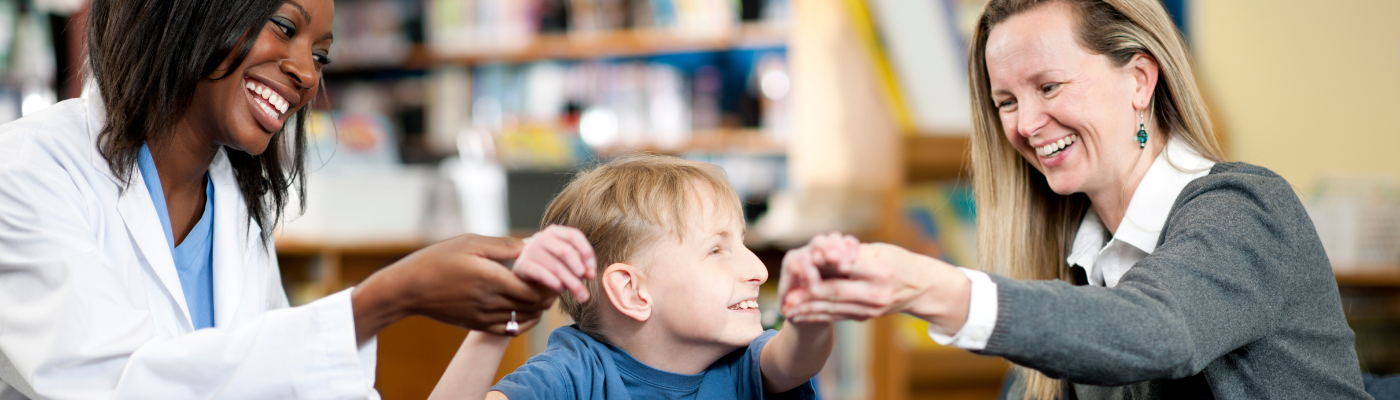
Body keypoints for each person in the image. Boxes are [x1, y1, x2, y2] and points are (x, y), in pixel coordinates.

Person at [779, 0, 1371, 399]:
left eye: (1049, 86)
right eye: (1006, 102)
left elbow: (1156, 331)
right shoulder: (1073, 259)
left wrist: (931, 288)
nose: (1028, 123)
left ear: (1139, 79)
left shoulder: (1245, 208)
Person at [0, 0, 553, 397]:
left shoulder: (234, 206)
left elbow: (283, 382)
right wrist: (384, 298)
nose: (307, 74)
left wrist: (491, 327)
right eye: (284, 26)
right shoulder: (28, 168)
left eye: (321, 56)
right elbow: (118, 384)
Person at [428, 155, 833, 400]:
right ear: (633, 291)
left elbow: (798, 356)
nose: (760, 271)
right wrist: (501, 318)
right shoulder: (574, 372)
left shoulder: (747, 362)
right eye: (716, 250)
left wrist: (814, 311)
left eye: (743, 243)